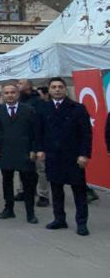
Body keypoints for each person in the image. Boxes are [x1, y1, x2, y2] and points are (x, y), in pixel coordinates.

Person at [35, 77, 92, 236]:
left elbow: (86, 134)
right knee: (56, 189)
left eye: (60, 86)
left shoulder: (78, 108)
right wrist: (39, 149)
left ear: (65, 89)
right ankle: (59, 219)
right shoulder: (43, 109)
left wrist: (84, 154)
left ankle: (81, 222)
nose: (57, 89)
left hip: (73, 156)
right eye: (54, 87)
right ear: (49, 90)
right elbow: (38, 132)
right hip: (53, 156)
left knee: (78, 191)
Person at [0, 83, 39, 224]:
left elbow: (35, 132)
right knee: (7, 182)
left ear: (18, 94)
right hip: (6, 151)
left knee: (28, 184)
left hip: (25, 151)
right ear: (3, 95)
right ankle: (8, 209)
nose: (10, 95)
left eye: (13, 92)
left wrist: (33, 149)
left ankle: (30, 213)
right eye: (7, 93)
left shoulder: (29, 110)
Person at [15, 79, 50, 207]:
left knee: (40, 169)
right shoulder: (18, 101)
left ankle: (43, 194)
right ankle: (23, 190)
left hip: (37, 138)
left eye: (20, 83)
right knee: (22, 167)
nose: (17, 85)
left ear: (29, 86)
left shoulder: (38, 101)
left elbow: (42, 121)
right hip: (22, 140)